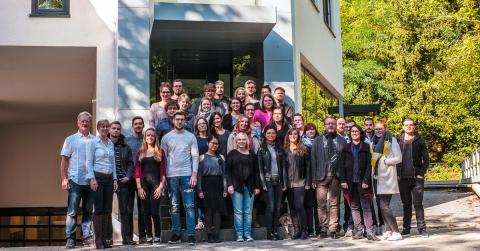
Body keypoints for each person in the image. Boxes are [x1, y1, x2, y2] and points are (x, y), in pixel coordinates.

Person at [161, 111, 199, 245]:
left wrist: (194, 174)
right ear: (173, 120)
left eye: (182, 119)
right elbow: (163, 159)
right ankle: (176, 234)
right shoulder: (166, 138)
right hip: (171, 177)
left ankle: (191, 235)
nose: (180, 121)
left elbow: (195, 156)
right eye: (177, 119)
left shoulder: (191, 137)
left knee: (189, 206)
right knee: (174, 206)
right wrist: (163, 177)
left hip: (187, 175)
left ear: (185, 121)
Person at [339, 125, 380, 241]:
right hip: (350, 183)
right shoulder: (345, 147)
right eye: (352, 131)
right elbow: (341, 166)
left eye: (356, 131)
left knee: (366, 207)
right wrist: (343, 180)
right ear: (350, 133)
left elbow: (369, 166)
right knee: (354, 207)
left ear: (360, 133)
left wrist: (366, 180)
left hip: (363, 183)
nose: (354, 133)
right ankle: (359, 231)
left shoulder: (366, 147)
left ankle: (370, 232)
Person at [60, 111, 95, 248]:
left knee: (88, 211)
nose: (85, 123)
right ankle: (70, 238)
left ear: (90, 123)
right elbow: (64, 161)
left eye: (87, 121)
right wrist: (64, 178)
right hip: (75, 180)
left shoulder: (95, 140)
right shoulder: (70, 140)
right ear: (78, 123)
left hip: (90, 181)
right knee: (72, 211)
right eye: (83, 121)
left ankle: (86, 237)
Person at [311, 116, 347, 239]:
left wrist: (343, 179)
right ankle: (323, 229)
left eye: (333, 123)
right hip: (321, 177)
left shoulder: (342, 140)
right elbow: (313, 160)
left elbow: (344, 161)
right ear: (324, 126)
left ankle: (333, 229)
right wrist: (312, 179)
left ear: (336, 125)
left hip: (336, 176)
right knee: (321, 204)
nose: (330, 125)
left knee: (334, 204)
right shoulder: (317, 141)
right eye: (328, 124)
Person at [86, 120, 118, 249]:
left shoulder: (110, 143)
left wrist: (115, 179)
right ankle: (98, 240)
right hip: (97, 178)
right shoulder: (93, 142)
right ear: (98, 128)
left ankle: (105, 239)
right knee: (98, 209)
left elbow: (113, 163)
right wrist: (92, 179)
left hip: (109, 178)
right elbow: (88, 162)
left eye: (106, 127)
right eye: (102, 127)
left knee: (107, 209)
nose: (105, 129)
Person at [371, 119, 403, 241]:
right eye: (376, 129)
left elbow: (399, 157)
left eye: (380, 128)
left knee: (384, 206)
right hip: (376, 177)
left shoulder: (390, 140)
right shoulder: (373, 141)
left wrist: (386, 161)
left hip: (387, 178)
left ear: (385, 129)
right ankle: (389, 230)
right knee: (380, 205)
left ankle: (396, 231)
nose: (378, 131)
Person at [397, 118, 430, 237]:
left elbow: (426, 159)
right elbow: (395, 159)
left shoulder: (420, 140)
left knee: (418, 204)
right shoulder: (398, 140)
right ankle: (406, 228)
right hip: (402, 178)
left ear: (414, 127)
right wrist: (397, 174)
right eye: (406, 125)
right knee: (406, 204)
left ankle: (422, 229)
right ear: (403, 127)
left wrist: (421, 174)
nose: (409, 127)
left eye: (411, 125)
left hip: (417, 178)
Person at [226, 132, 261, 242]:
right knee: (238, 211)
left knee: (248, 211)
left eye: (243, 139)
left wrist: (257, 186)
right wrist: (229, 184)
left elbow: (256, 172)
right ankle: (240, 235)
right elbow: (227, 172)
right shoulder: (232, 154)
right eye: (239, 139)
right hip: (236, 187)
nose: (241, 141)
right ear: (236, 141)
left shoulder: (252, 155)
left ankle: (247, 234)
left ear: (247, 141)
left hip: (250, 187)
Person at [135, 128, 167, 244]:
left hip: (156, 185)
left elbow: (163, 171)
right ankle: (149, 236)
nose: (150, 137)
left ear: (155, 137)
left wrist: (161, 186)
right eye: (148, 135)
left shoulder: (160, 151)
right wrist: (139, 187)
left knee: (154, 212)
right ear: (145, 137)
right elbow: (137, 171)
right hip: (143, 185)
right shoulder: (140, 152)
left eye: (152, 136)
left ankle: (157, 235)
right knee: (145, 211)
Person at [257, 125, 287, 241]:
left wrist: (284, 183)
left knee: (278, 208)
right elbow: (260, 168)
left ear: (276, 135)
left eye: (273, 133)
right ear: (265, 135)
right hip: (268, 182)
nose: (271, 135)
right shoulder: (261, 149)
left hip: (279, 181)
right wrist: (263, 183)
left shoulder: (279, 148)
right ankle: (269, 232)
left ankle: (275, 231)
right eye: (268, 133)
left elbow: (283, 167)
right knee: (271, 207)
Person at [109, 121, 136, 245]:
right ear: (109, 130)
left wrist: (128, 177)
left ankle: (127, 238)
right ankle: (107, 238)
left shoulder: (126, 145)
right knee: (106, 210)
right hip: (107, 181)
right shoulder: (104, 144)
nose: (116, 130)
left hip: (123, 181)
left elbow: (131, 163)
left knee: (125, 210)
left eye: (118, 129)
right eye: (113, 128)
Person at [197, 136, 227, 243]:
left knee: (217, 211)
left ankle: (216, 235)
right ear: (207, 143)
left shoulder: (221, 157)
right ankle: (209, 234)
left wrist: (224, 189)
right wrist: (199, 190)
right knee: (208, 210)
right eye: (212, 143)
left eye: (216, 143)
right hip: (206, 184)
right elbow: (199, 175)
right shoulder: (202, 157)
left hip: (218, 184)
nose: (214, 145)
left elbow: (224, 175)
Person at [284, 128, 311, 240]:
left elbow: (308, 167)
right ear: (288, 136)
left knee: (299, 206)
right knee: (293, 208)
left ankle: (304, 230)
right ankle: (297, 230)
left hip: (301, 181)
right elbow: (283, 168)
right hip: (289, 182)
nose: (293, 136)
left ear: (298, 136)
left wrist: (308, 181)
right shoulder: (284, 150)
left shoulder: (303, 149)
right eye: (291, 134)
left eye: (295, 134)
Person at [126, 116, 148, 244]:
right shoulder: (127, 140)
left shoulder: (148, 140)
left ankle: (142, 236)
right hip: (129, 179)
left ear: (143, 125)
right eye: (136, 124)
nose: (138, 125)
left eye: (140, 124)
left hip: (144, 179)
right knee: (128, 209)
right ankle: (128, 237)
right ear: (132, 125)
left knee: (142, 209)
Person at [302, 123, 321, 236]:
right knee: (308, 205)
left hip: (319, 178)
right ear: (305, 132)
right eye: (308, 129)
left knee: (318, 205)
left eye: (313, 129)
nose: (311, 131)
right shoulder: (302, 144)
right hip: (307, 178)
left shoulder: (320, 142)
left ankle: (319, 228)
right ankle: (310, 228)